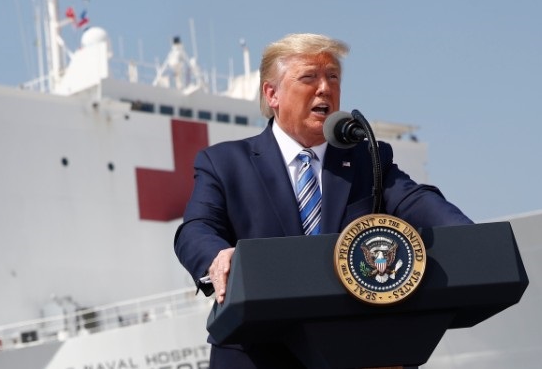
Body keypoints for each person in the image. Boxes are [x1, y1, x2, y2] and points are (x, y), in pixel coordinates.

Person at [174, 33, 474, 369]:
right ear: (272, 94)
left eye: (333, 77)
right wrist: (217, 256)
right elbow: (197, 228)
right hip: (256, 352)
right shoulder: (224, 163)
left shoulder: (369, 159)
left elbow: (417, 201)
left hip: (359, 352)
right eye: (309, 78)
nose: (324, 88)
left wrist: (470, 239)